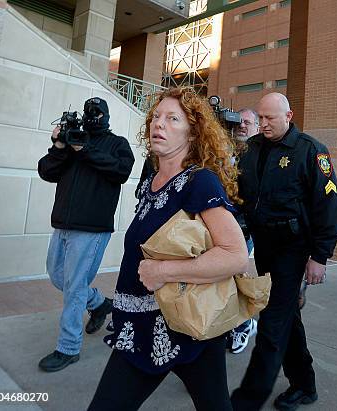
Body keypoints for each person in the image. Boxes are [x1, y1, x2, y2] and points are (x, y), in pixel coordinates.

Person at [88, 87, 248, 410]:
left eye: (173, 119)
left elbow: (236, 254)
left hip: (188, 325)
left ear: (193, 132)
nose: (159, 124)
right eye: (156, 117)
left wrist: (163, 270)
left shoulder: (199, 182)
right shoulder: (151, 182)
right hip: (140, 327)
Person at [231, 92, 337, 411]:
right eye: (260, 119)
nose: (263, 124)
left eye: (270, 118)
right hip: (265, 247)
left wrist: (320, 256)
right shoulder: (250, 150)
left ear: (288, 117)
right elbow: (241, 198)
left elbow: (330, 206)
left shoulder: (311, 151)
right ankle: (304, 385)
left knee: (273, 323)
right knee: (286, 317)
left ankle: (246, 400)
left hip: (294, 250)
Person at [37, 97, 134, 372]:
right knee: (58, 276)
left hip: (91, 228)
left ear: (105, 116)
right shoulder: (71, 142)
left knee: (74, 286)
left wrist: (85, 149)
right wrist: (59, 146)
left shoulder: (117, 144)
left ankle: (68, 347)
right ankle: (101, 304)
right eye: (88, 112)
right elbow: (46, 171)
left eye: (97, 113)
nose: (92, 117)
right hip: (63, 224)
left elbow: (121, 171)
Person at [227, 107, 260, 355]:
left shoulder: (261, 153)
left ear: (257, 127)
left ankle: (243, 323)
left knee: (233, 274)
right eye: (239, 121)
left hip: (244, 225)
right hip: (217, 221)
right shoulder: (221, 149)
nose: (242, 125)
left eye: (247, 122)